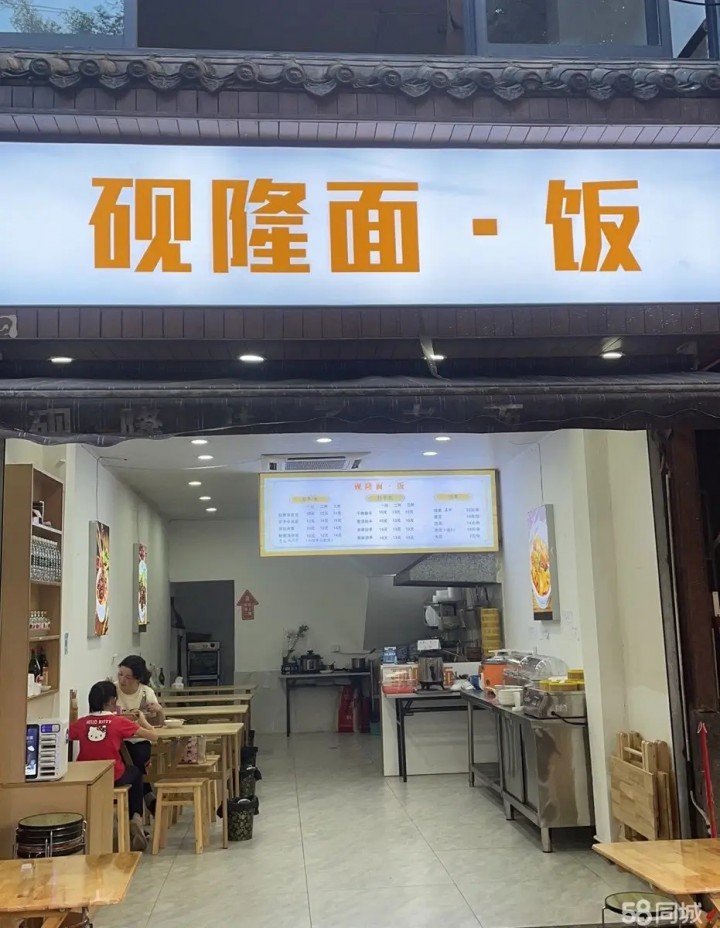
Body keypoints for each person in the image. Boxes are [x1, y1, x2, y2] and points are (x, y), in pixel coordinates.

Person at [69, 680, 158, 851]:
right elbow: (153, 736)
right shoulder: (118, 722)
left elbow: (67, 735)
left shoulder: (81, 723)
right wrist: (143, 720)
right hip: (113, 776)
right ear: (111, 701)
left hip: (87, 777)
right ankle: (135, 818)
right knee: (136, 772)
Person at [115, 655, 165, 815]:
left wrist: (159, 710)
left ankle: (134, 815)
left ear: (138, 679)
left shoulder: (146, 692)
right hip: (119, 741)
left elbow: (159, 723)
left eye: (128, 677)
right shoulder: (112, 691)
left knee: (135, 758)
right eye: (120, 674)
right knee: (130, 761)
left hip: (141, 739)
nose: (122, 680)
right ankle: (147, 795)